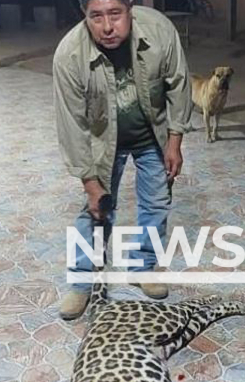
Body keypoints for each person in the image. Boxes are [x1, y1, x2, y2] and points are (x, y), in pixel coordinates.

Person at [53, 0, 192, 320]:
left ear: (130, 9)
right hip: (103, 141)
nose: (107, 26)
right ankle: (81, 283)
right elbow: (71, 125)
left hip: (151, 134)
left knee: (157, 203)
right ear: (84, 15)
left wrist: (175, 141)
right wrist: (90, 184)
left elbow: (178, 84)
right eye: (96, 16)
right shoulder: (70, 54)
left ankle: (142, 266)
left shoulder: (159, 31)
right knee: (97, 212)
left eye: (115, 14)